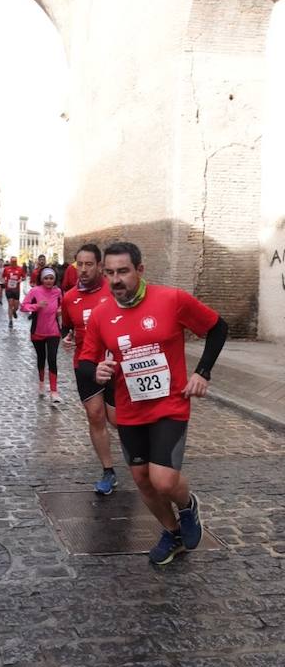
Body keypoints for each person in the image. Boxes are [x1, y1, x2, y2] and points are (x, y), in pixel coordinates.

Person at [78, 241, 228, 566]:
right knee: (142, 480)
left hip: (170, 406)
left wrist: (202, 373)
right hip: (131, 410)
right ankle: (171, 531)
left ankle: (188, 506)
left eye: (123, 271)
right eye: (110, 273)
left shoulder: (171, 300)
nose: (116, 279)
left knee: (163, 480)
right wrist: (97, 370)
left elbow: (218, 328)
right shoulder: (102, 314)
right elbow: (85, 360)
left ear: (140, 270)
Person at [61, 243, 118, 494]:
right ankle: (108, 471)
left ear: (100, 266)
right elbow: (67, 327)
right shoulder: (70, 297)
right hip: (85, 363)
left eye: (89, 264)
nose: (83, 270)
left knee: (117, 419)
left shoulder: (114, 290)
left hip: (116, 363)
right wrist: (66, 337)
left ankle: (141, 459)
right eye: (79, 264)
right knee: (95, 415)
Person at [21, 267, 63, 402]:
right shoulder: (35, 291)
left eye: (51, 278)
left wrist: (60, 310)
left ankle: (54, 391)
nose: (49, 281)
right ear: (42, 279)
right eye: (46, 278)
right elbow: (23, 306)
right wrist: (37, 306)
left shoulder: (58, 291)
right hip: (38, 331)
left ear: (55, 279)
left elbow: (63, 304)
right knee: (41, 358)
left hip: (54, 331)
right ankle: (41, 383)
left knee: (52, 359)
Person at [3, 256, 24, 329]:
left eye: (15, 261)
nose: (13, 263)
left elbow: (23, 277)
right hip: (8, 289)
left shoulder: (20, 269)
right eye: (12, 261)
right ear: (10, 261)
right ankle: (10, 321)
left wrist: (20, 280)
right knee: (10, 304)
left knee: (16, 306)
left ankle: (14, 311)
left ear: (16, 261)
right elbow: (3, 277)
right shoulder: (6, 269)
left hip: (16, 290)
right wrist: (5, 281)